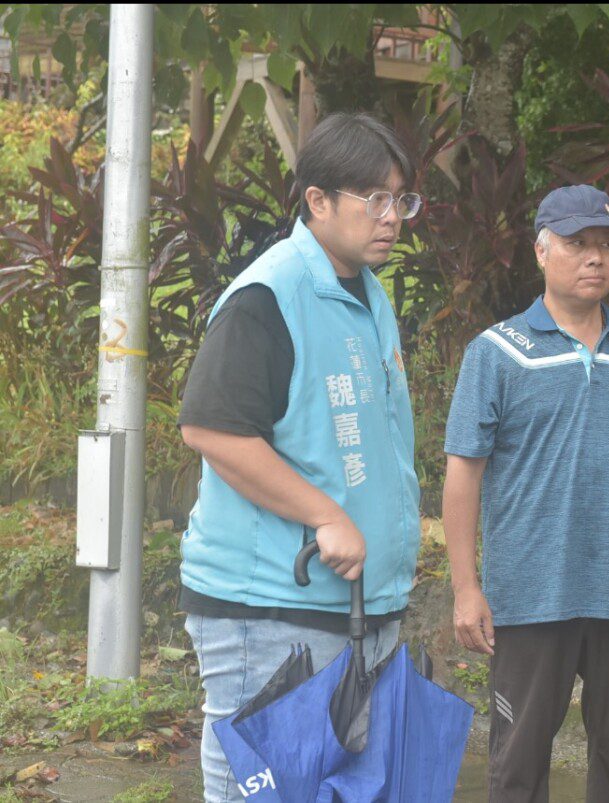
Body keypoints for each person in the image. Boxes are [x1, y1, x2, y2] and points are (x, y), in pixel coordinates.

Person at [177, 112, 423, 803]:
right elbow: (212, 430)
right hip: (271, 612)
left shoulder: (366, 295)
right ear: (317, 201)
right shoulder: (268, 295)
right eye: (373, 198)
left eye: (400, 199)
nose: (392, 216)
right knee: (267, 792)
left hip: (353, 607)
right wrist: (325, 514)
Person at [442, 185, 609, 803]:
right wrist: (465, 586)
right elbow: (463, 474)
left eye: (607, 245)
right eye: (578, 244)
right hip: (530, 595)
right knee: (518, 766)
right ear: (541, 250)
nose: (595, 258)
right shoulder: (497, 352)